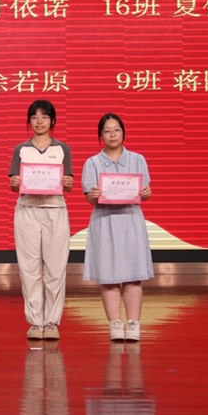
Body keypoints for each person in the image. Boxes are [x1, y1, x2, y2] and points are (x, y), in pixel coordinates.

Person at [81, 113, 153, 342]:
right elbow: (89, 197)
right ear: (100, 136)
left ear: (123, 133)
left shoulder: (138, 159)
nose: (112, 134)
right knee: (108, 275)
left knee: (133, 275)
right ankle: (114, 324)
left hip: (130, 219)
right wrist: (93, 195)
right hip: (104, 220)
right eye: (107, 131)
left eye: (117, 130)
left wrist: (146, 193)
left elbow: (144, 192)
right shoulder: (92, 163)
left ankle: (133, 324)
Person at [8, 99, 73, 341]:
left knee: (56, 268)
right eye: (34, 117)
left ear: (52, 120)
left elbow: (68, 184)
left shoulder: (62, 149)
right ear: (29, 121)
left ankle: (52, 322)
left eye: (44, 116)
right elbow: (14, 184)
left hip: (55, 210)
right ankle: (36, 322)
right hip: (27, 210)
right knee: (29, 269)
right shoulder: (21, 149)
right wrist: (15, 183)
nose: (39, 121)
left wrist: (68, 183)